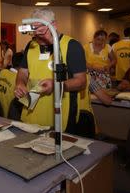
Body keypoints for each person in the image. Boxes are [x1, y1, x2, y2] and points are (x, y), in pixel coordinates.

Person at [13, 8, 94, 137]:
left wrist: (57, 85)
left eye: (41, 30)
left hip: (61, 115)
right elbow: (23, 72)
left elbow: (81, 82)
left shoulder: (72, 46)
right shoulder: (31, 45)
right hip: (31, 114)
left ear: (54, 25)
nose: (36, 35)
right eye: (34, 31)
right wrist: (20, 84)